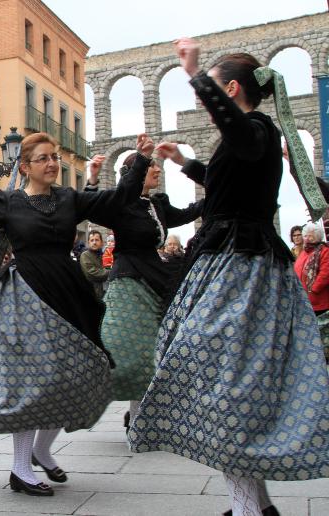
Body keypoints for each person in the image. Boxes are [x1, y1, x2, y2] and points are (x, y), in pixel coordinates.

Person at [128, 39, 329, 516]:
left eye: (210, 90)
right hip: (235, 261)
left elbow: (239, 137)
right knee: (232, 380)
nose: (200, 97)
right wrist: (183, 164)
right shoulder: (249, 137)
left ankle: (247, 508)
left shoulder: (255, 128)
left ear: (232, 89)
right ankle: (254, 504)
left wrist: (194, 73)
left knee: (228, 382)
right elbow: (225, 186)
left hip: (243, 266)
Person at [0, 131, 152, 496]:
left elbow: (117, 200)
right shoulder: (8, 201)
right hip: (26, 297)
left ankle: (41, 449)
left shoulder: (69, 198)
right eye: (44, 158)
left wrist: (140, 161)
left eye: (54, 156)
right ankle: (21, 467)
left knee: (70, 374)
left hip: (68, 293)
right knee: (30, 380)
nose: (53, 163)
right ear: (24, 167)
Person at [92, 150, 202, 432]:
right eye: (152, 166)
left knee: (155, 352)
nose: (157, 170)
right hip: (128, 281)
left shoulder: (156, 205)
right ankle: (85, 394)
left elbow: (188, 213)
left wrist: (219, 195)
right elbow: (94, 207)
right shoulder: (121, 204)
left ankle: (138, 417)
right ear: (136, 173)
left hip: (157, 281)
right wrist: (92, 180)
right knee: (124, 354)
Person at [293, 222, 329, 364]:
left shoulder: (324, 251)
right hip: (305, 300)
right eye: (305, 235)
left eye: (310, 235)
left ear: (318, 237)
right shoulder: (304, 252)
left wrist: (313, 289)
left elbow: (325, 273)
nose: (307, 238)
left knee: (322, 331)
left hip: (319, 301)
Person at [79, 229, 108, 299]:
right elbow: (91, 273)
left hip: (105, 292)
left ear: (102, 242)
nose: (94, 242)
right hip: (92, 293)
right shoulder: (85, 255)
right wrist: (110, 272)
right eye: (92, 240)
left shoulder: (105, 255)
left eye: (97, 240)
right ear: (88, 243)